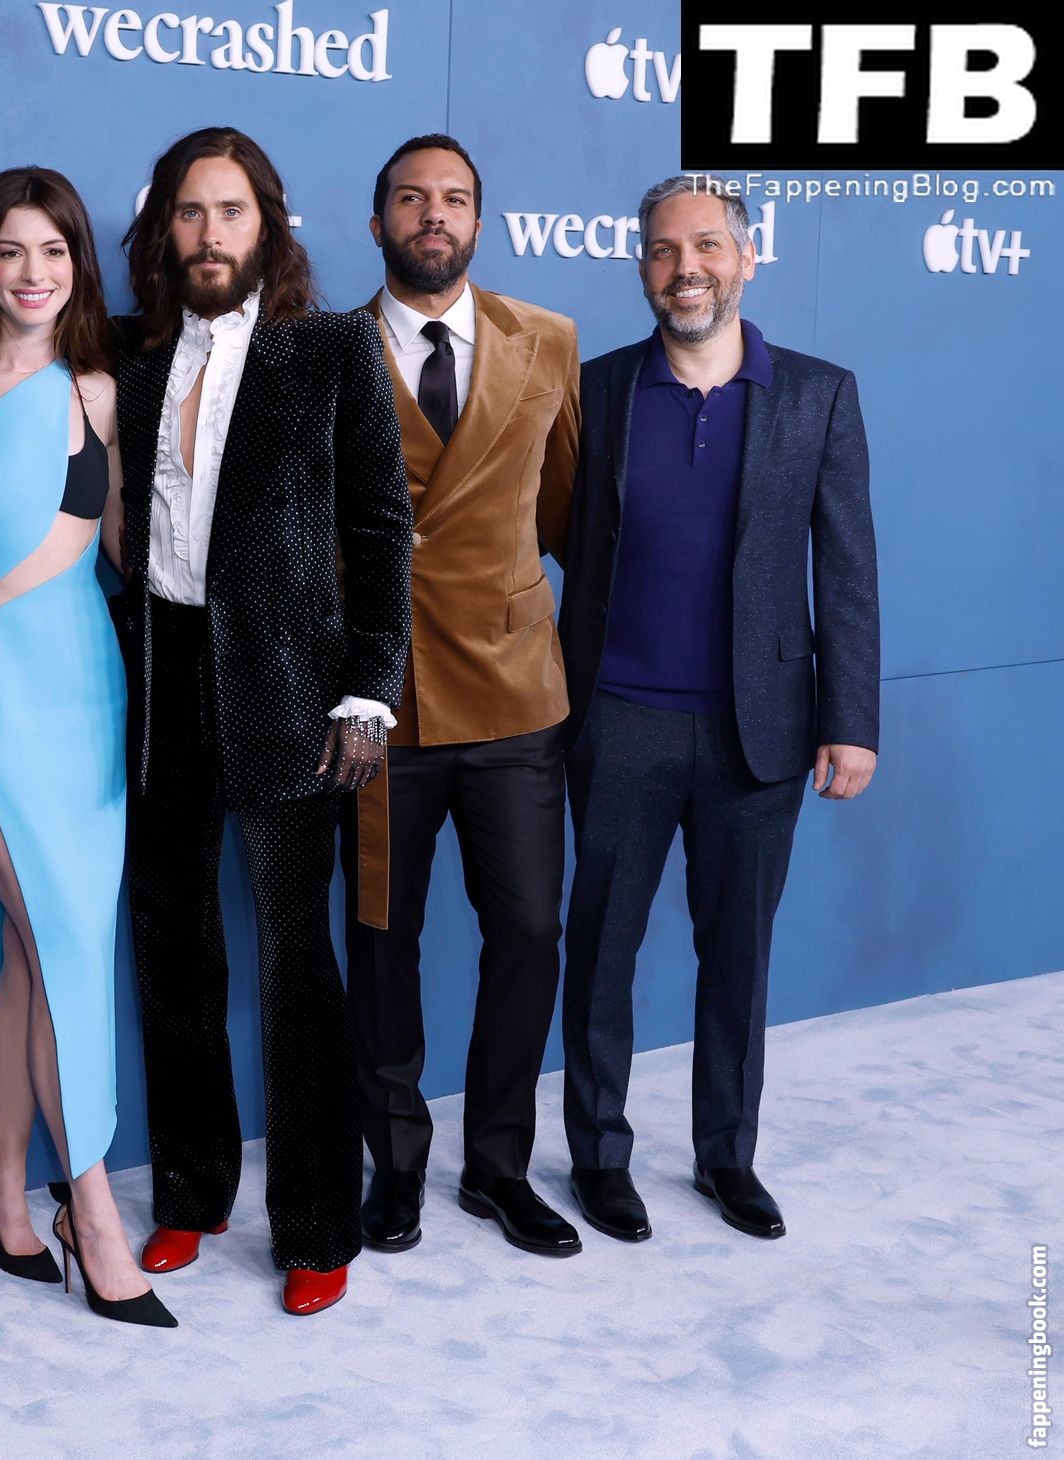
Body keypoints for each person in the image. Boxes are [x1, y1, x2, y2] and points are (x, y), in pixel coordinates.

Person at [113, 127, 413, 1317]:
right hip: (158, 683)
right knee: (174, 951)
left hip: (293, 687)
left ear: (269, 225)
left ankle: (318, 1223)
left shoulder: (332, 348)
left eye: (230, 211)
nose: (209, 234)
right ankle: (191, 1193)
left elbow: (383, 528)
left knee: (296, 962)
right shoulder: (129, 356)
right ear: (164, 230)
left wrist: (370, 689)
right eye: (189, 212)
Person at [558, 173, 879, 1244]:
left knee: (738, 953)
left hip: (763, 728)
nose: (683, 267)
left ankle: (726, 1155)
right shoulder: (597, 389)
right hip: (617, 717)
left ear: (747, 258)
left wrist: (851, 717)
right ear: (642, 267)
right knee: (600, 949)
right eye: (662, 249)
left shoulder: (819, 394)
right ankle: (600, 1156)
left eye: (705, 246)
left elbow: (847, 566)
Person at [0, 166, 173, 1328]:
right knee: (61, 939)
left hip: (86, 694)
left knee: (37, 942)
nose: (33, 272)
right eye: (11, 250)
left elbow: (124, 551)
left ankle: (3, 1178)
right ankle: (95, 1208)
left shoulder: (101, 392)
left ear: (79, 266)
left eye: (55, 251)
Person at [339, 135, 583, 1259]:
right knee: (382, 937)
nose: (432, 214)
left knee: (528, 931)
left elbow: (565, 508)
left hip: (515, 693)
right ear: (378, 221)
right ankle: (395, 1165)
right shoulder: (326, 352)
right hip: (378, 706)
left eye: (454, 199)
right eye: (410, 198)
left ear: (480, 222)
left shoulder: (548, 340)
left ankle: (498, 1168)